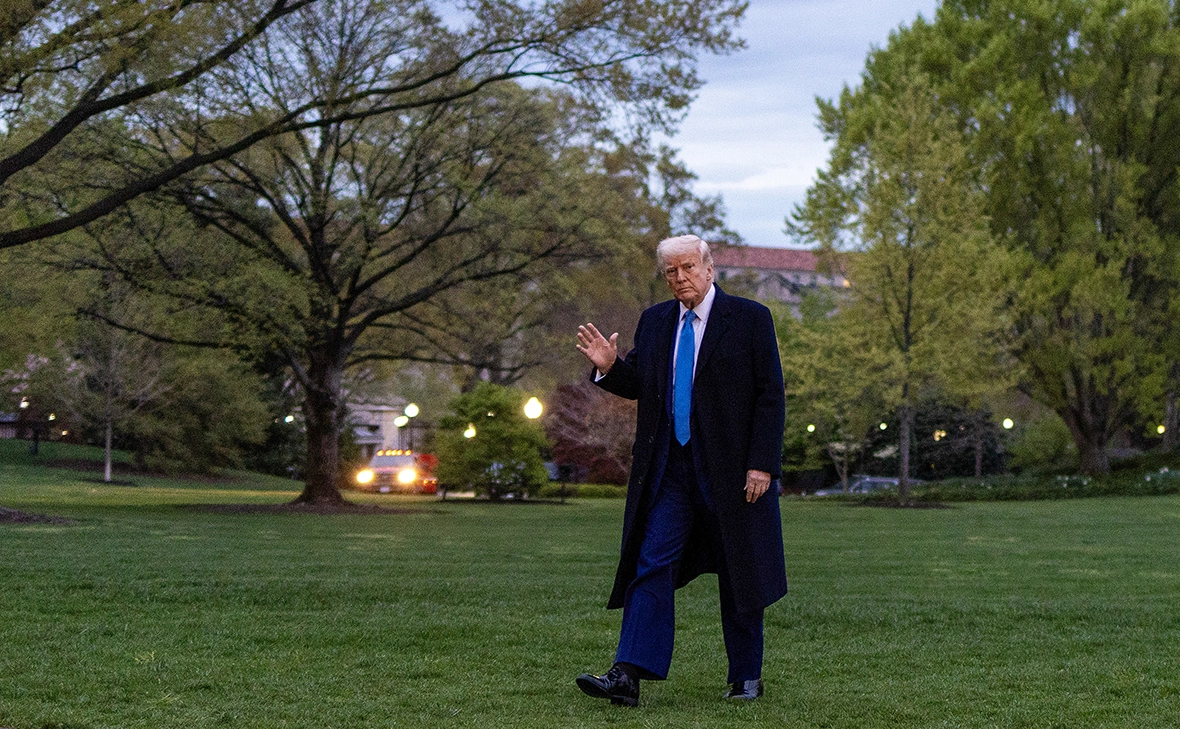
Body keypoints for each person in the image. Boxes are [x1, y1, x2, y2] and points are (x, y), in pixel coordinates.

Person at [574, 234, 787, 707]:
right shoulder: (654, 323)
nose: (680, 278)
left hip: (734, 474)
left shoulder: (751, 319)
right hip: (670, 469)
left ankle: (746, 676)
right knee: (651, 562)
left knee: (740, 570)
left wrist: (761, 465)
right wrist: (609, 368)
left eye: (688, 267)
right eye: (671, 271)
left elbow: (770, 395)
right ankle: (626, 675)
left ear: (709, 269)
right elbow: (642, 386)